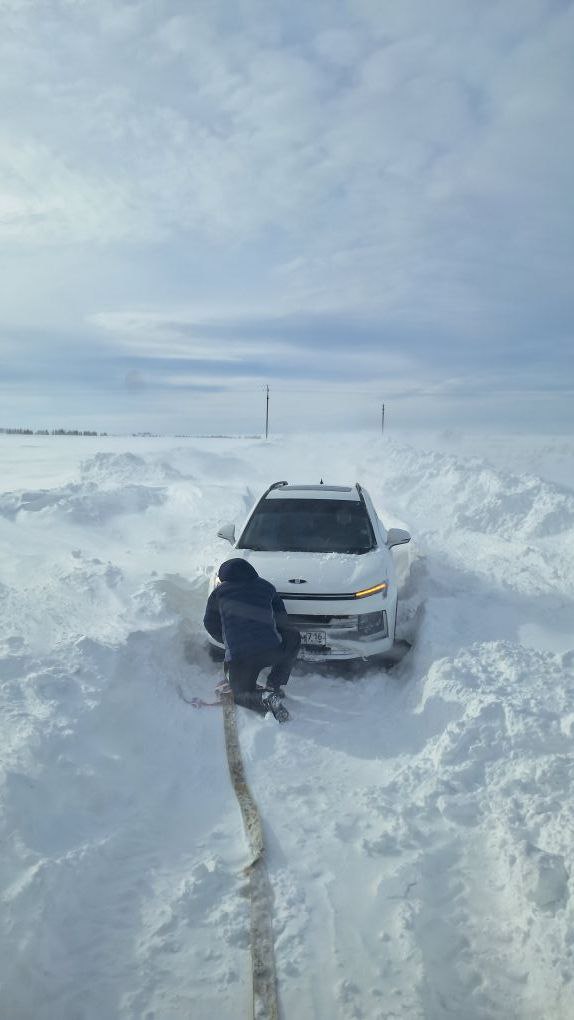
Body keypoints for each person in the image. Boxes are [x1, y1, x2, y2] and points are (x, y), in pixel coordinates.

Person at [203, 558, 301, 721]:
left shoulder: (218, 593)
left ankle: (263, 699)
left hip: (241, 657)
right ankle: (273, 685)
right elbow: (282, 619)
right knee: (293, 636)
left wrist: (228, 641)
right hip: (272, 651)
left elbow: (209, 623)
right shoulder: (267, 587)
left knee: (240, 694)